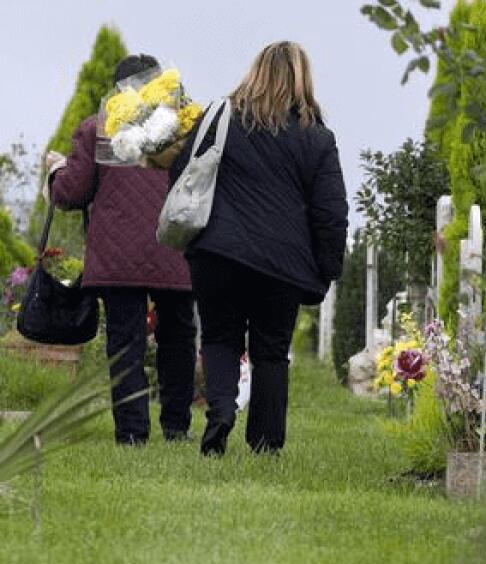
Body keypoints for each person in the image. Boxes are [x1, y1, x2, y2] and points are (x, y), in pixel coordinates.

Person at [171, 41, 348, 456]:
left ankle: (221, 411)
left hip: (217, 253)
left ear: (255, 72)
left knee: (219, 337)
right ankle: (266, 443)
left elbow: (183, 173)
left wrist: (195, 238)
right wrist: (327, 268)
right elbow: (331, 212)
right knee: (271, 350)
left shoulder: (217, 119)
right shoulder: (317, 138)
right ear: (303, 79)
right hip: (280, 264)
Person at [47, 53, 196, 446]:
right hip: (176, 251)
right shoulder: (183, 130)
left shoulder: (97, 129)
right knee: (178, 339)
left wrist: (54, 171)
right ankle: (177, 428)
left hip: (120, 259)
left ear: (117, 90)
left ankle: (132, 433)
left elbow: (70, 193)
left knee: (125, 345)